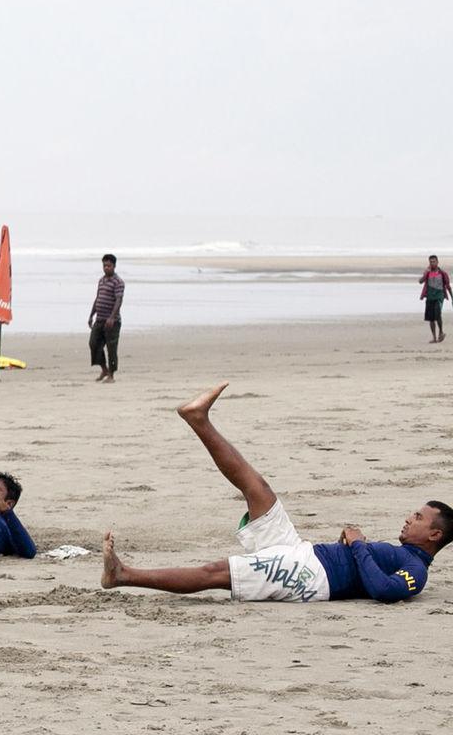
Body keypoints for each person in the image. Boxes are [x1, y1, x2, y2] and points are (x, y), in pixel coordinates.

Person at [101, 383, 450, 603]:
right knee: (259, 490)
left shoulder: (415, 568)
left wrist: (359, 544)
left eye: (418, 517)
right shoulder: (401, 553)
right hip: (303, 552)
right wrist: (353, 546)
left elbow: (385, 591)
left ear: (435, 534)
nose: (409, 518)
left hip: (309, 576)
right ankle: (199, 420)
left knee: (217, 572)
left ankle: (124, 575)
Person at [89, 253, 124, 381]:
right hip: (99, 320)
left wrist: (112, 317)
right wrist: (91, 314)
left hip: (112, 322)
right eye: (104, 266)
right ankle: (104, 369)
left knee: (111, 348)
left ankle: (111, 374)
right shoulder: (101, 280)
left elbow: (119, 300)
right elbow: (98, 298)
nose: (106, 268)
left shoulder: (118, 282)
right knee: (94, 344)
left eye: (109, 266)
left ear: (114, 266)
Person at [421, 254, 448, 344]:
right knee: (431, 319)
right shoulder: (428, 273)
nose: (432, 263)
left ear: (437, 262)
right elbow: (420, 281)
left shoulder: (442, 273)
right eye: (431, 262)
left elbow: (448, 286)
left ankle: (441, 332)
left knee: (438, 314)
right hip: (429, 297)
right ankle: (434, 337)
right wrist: (425, 272)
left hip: (439, 297)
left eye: (434, 261)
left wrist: (451, 297)